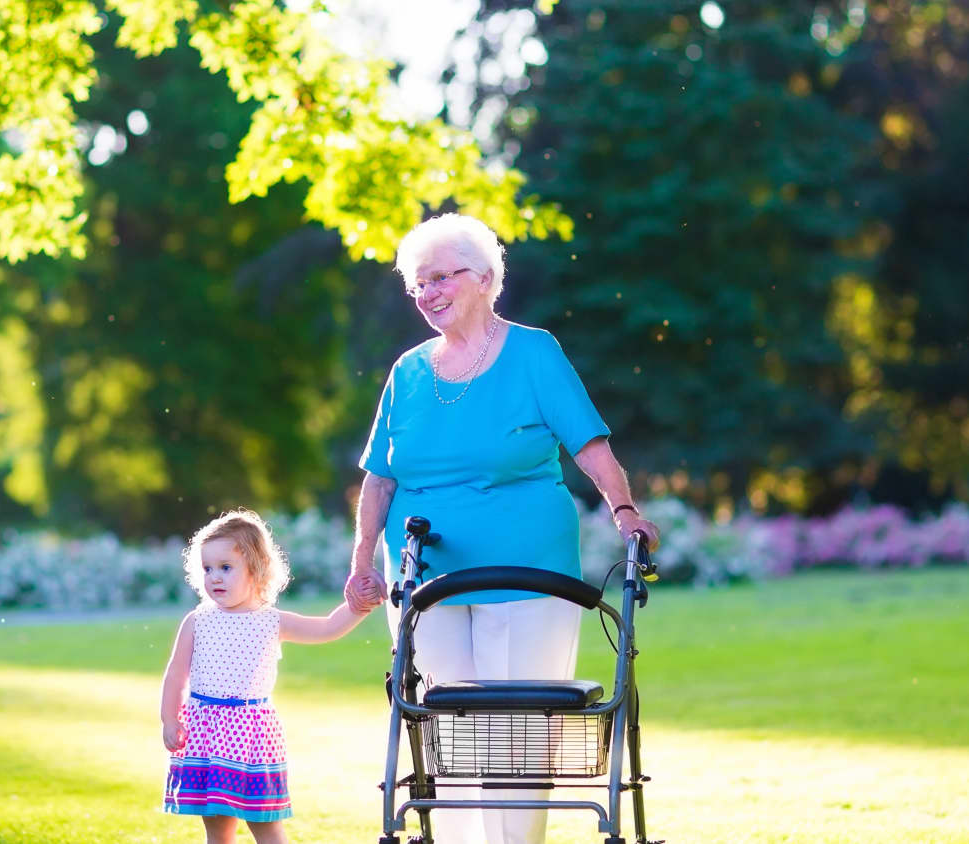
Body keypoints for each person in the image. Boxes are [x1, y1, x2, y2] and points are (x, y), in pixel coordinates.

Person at [345, 213, 661, 844]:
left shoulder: (534, 353)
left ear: (485, 278)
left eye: (440, 278)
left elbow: (590, 446)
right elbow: (379, 479)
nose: (427, 294)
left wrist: (625, 511)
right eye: (417, 285)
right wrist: (362, 564)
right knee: (448, 732)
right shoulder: (407, 372)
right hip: (427, 578)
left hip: (529, 570)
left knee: (516, 731)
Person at [161, 508, 375, 844]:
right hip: (204, 733)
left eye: (226, 567)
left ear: (257, 569)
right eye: (208, 568)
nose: (214, 577)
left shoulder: (271, 621)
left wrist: (358, 607)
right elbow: (175, 675)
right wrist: (169, 720)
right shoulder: (197, 621)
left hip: (250, 735)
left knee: (264, 822)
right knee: (216, 825)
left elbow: (327, 627)